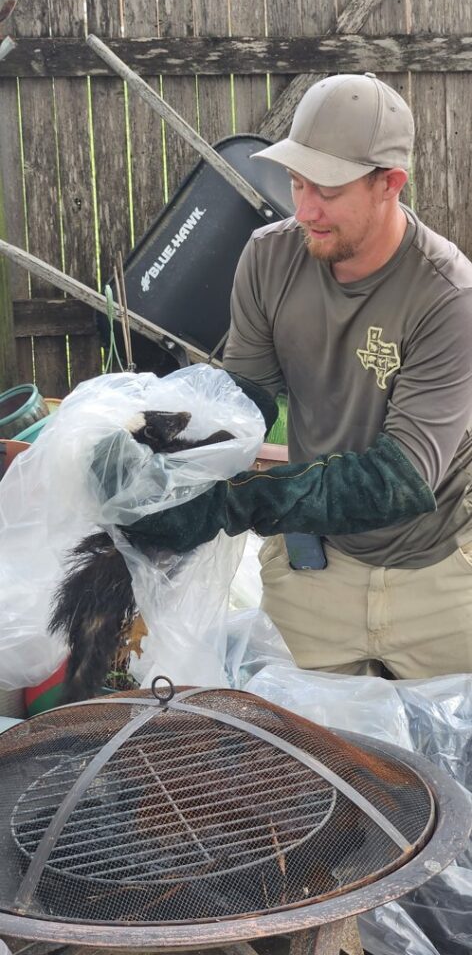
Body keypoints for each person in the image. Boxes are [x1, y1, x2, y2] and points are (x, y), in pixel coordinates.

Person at [125, 72, 472, 679]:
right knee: (300, 758)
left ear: (390, 183)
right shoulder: (269, 257)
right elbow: (243, 401)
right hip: (316, 569)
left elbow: (402, 479)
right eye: (297, 181)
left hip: (439, 572)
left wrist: (241, 502)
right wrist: (169, 457)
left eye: (328, 190)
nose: (305, 208)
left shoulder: (448, 296)